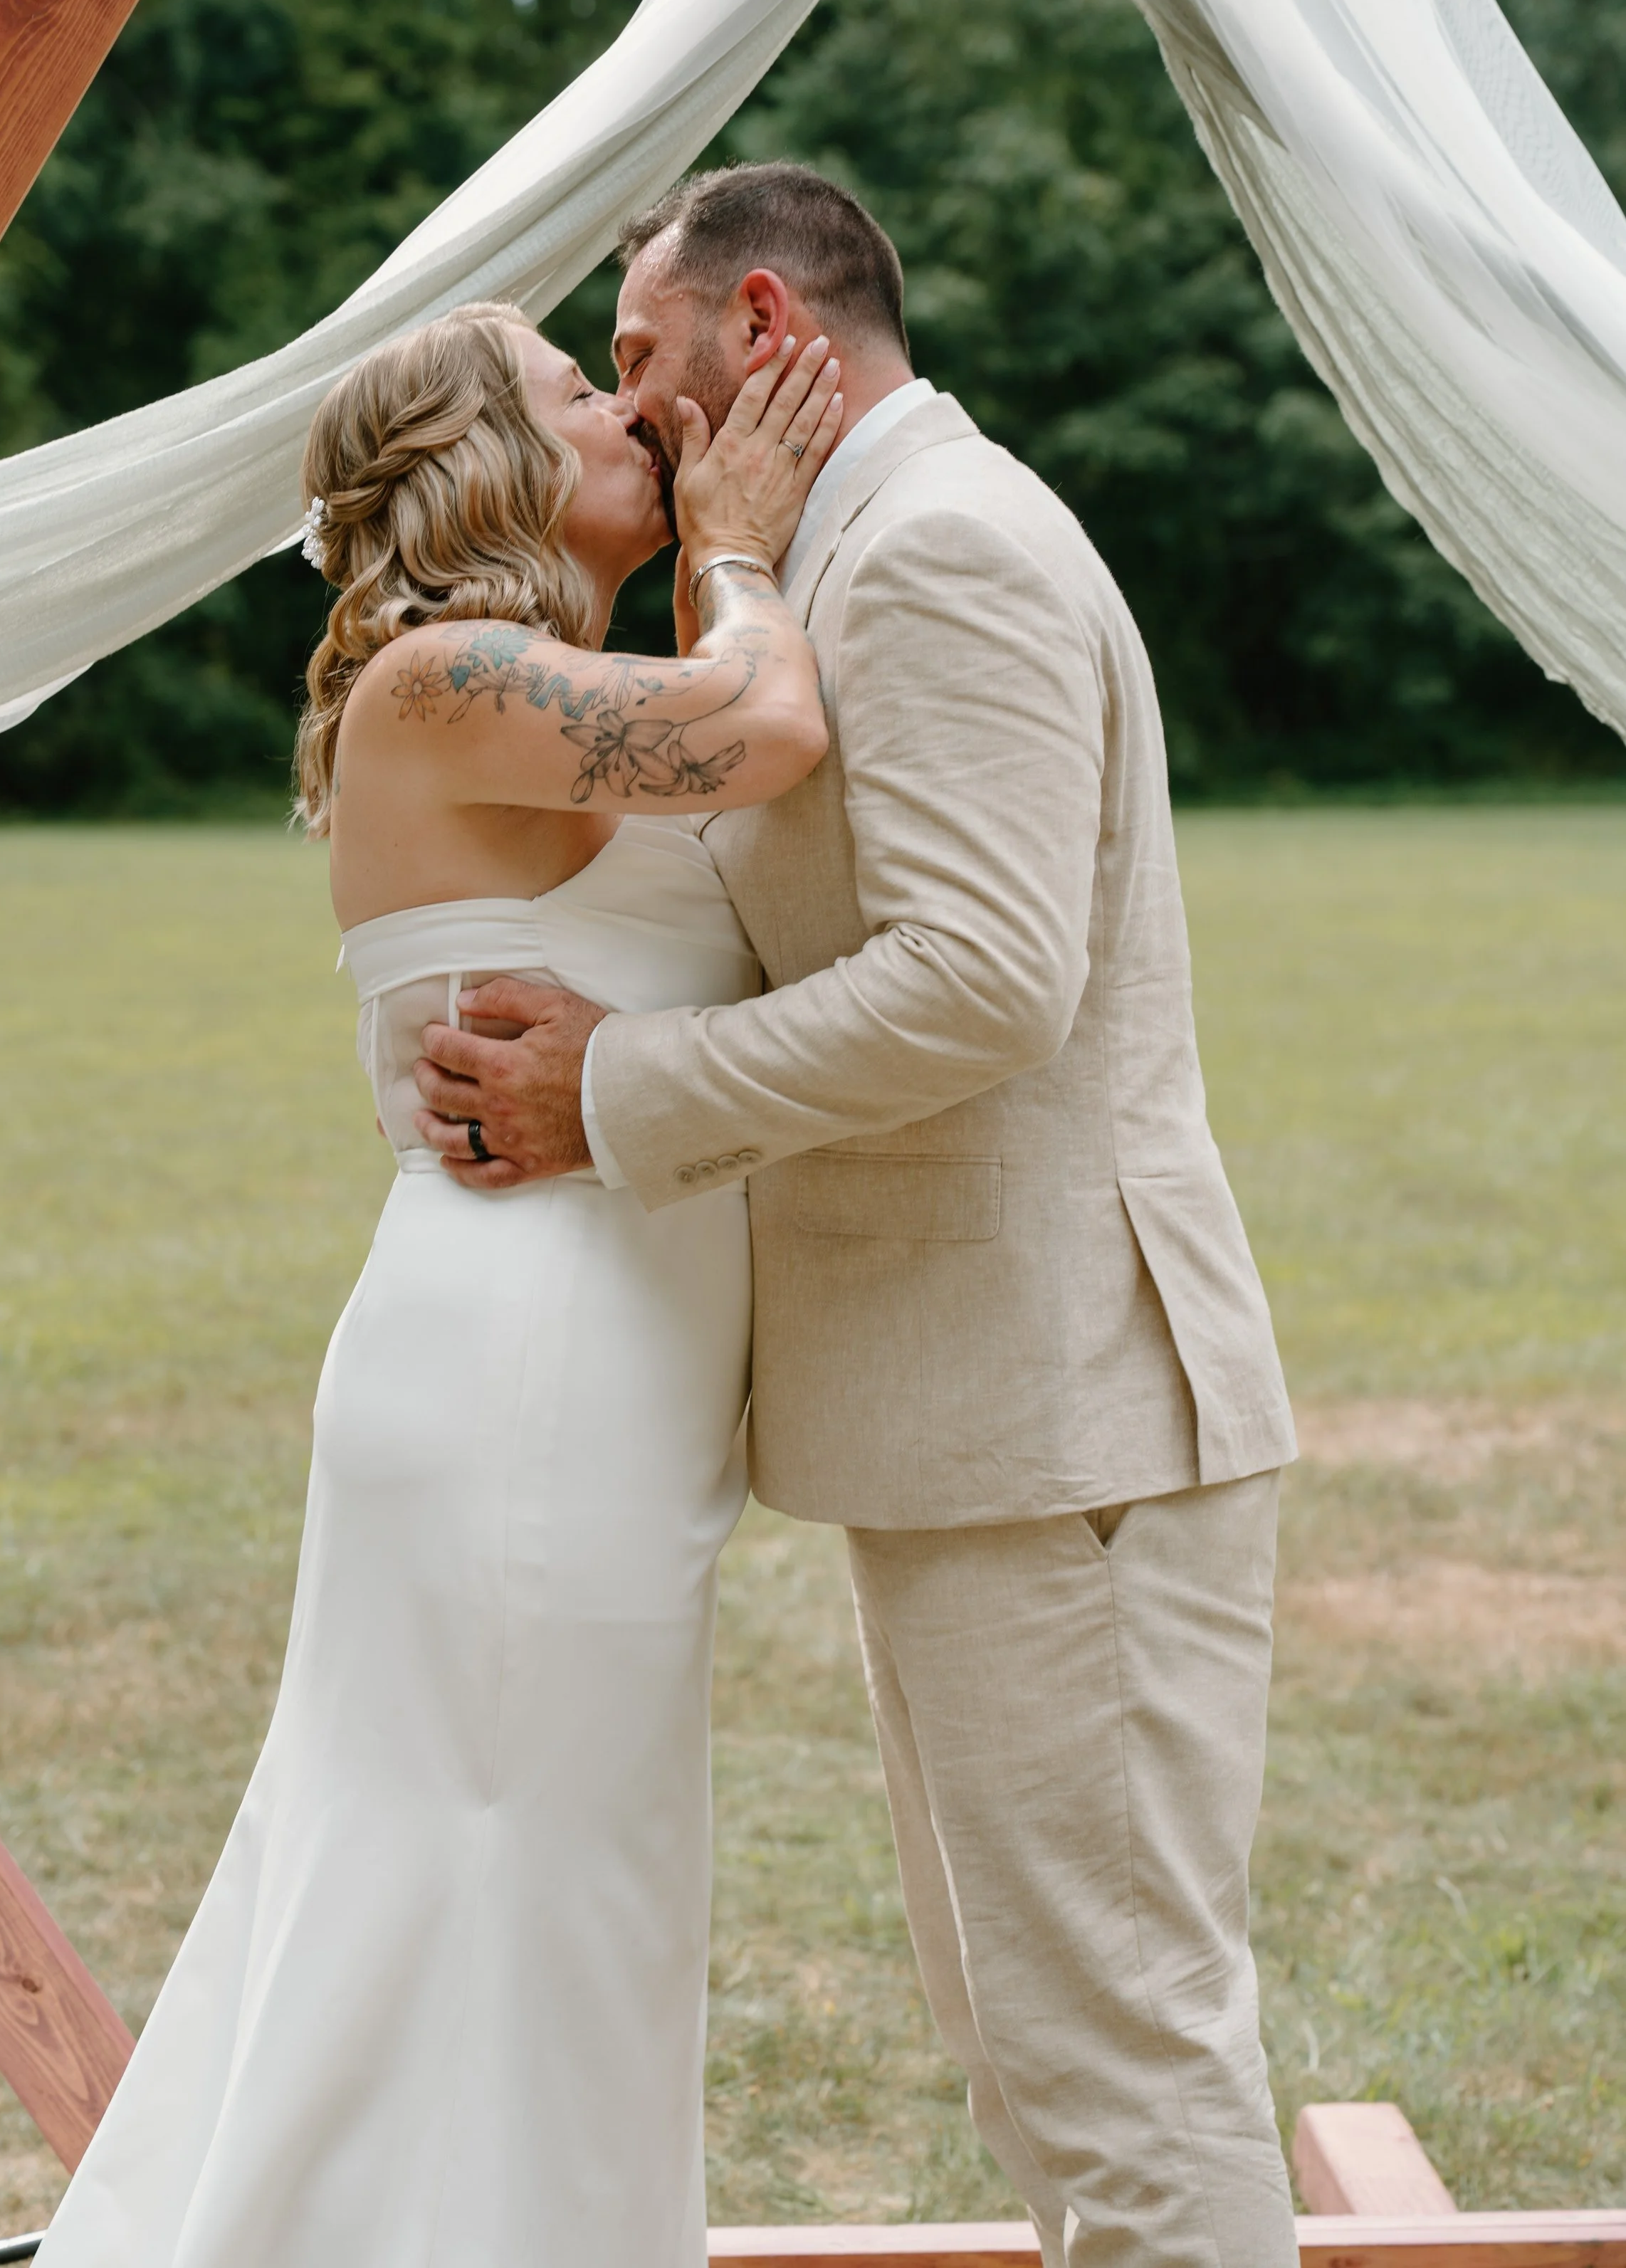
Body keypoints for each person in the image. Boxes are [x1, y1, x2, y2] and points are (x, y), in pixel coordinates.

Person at [411, 164, 1303, 2268]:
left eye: (637, 353)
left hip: (1066, 1413)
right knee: (1041, 2054)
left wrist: (607, 1093)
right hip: (990, 1422)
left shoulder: (944, 551)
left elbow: (986, 979)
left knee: (1117, 2066)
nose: (626, 405)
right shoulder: (847, 562)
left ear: (762, 327)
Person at [31, 298, 840, 2268]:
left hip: (595, 1383)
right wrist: (735, 540)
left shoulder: (535, 677)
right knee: (493, 1889)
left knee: (558, 1890)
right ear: (489, 458)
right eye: (585, 390)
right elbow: (773, 726)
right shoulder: (441, 679)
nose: (635, 410)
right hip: (521, 1383)